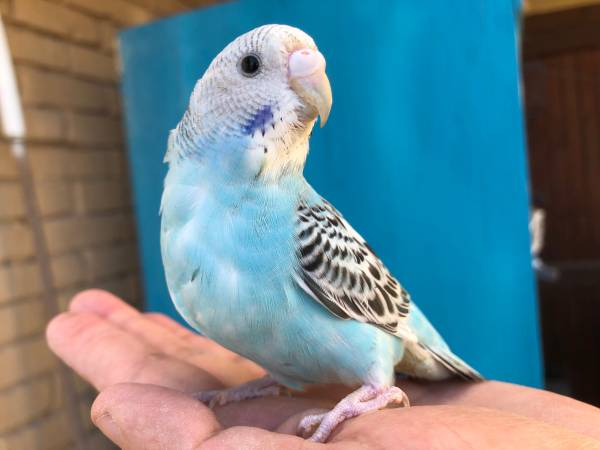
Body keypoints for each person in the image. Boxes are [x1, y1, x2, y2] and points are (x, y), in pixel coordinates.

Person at [46, 290, 600, 449]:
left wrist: (374, 392)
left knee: (385, 377)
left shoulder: (300, 220)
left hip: (391, 336)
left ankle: (376, 387)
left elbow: (382, 314)